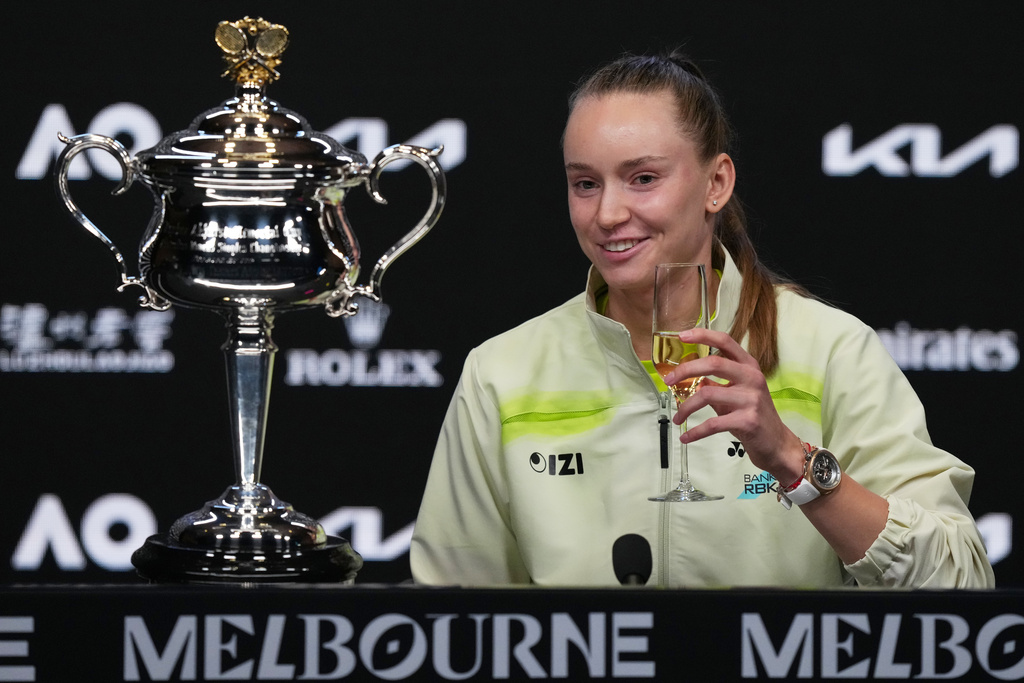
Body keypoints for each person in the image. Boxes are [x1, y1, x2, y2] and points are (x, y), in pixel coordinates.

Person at [409, 50, 995, 588]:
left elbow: (958, 583)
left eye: (643, 178)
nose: (609, 213)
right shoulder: (501, 373)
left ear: (716, 183)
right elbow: (452, 621)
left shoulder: (832, 349)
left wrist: (792, 461)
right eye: (585, 184)